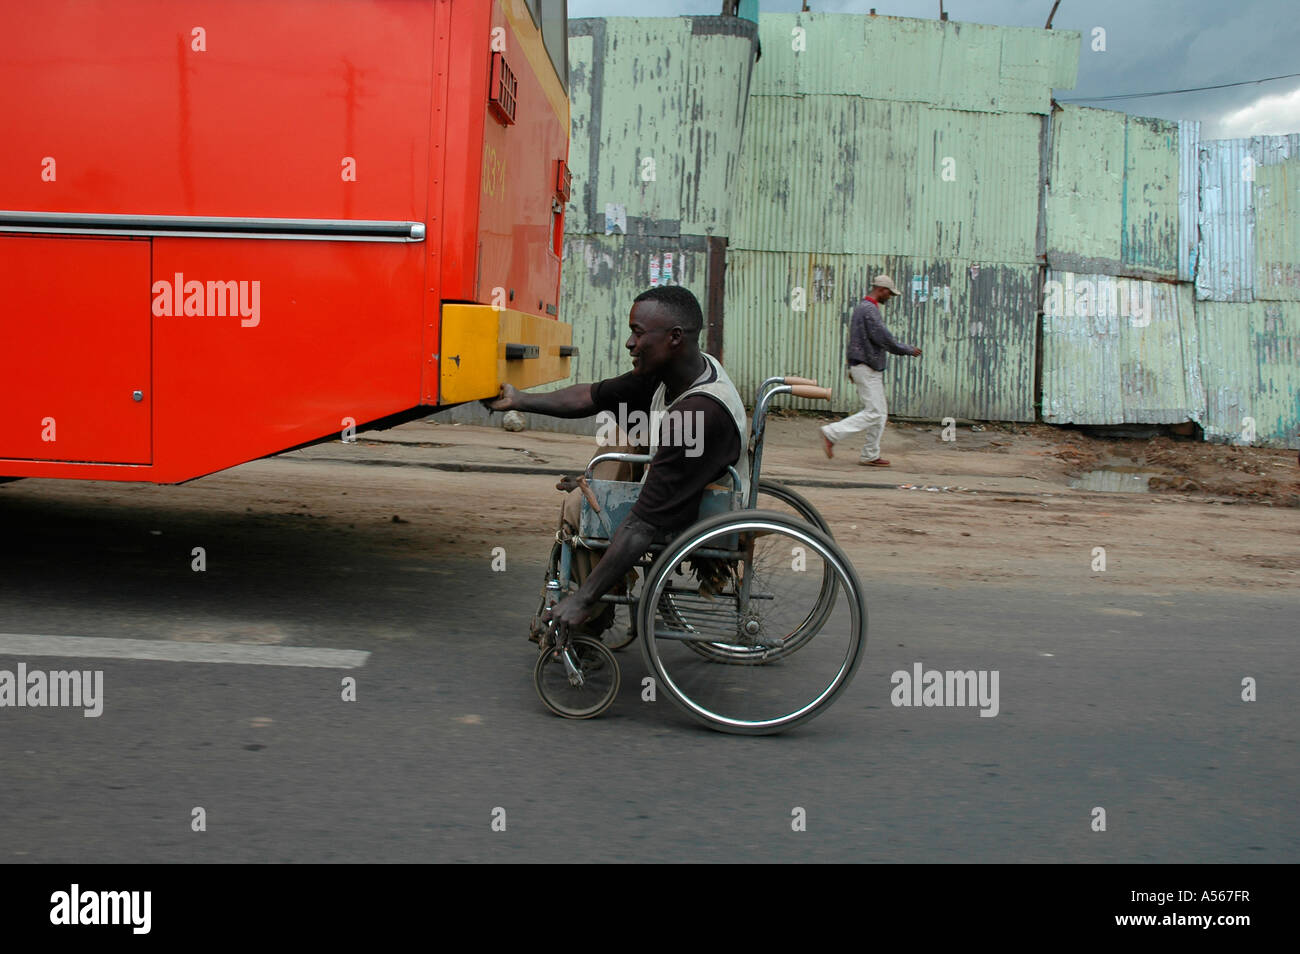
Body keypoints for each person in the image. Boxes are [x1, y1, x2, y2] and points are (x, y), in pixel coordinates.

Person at [484, 286, 747, 638]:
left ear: (674, 338)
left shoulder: (696, 415)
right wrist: (521, 400)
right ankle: (590, 563)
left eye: (638, 333)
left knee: (582, 511)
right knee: (620, 432)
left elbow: (642, 526)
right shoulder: (679, 370)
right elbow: (591, 396)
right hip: (682, 479)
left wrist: (585, 600)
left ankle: (590, 618)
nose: (629, 342)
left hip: (700, 509)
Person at [820, 274, 921, 467]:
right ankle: (831, 433)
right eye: (889, 294)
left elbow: (855, 340)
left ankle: (870, 454)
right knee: (875, 412)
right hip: (866, 368)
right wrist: (908, 350)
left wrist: (852, 363)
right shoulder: (869, 310)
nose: (889, 297)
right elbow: (885, 339)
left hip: (864, 366)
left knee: (880, 413)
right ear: (882, 290)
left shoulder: (863, 308)